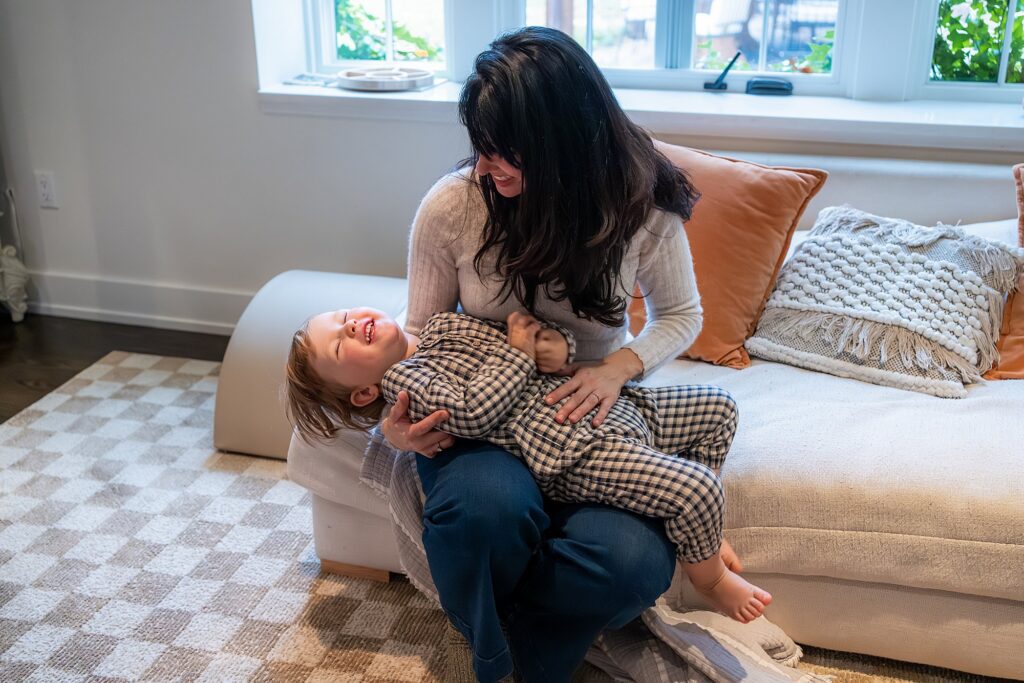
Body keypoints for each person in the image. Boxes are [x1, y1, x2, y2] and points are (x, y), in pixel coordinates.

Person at [374, 26, 745, 682]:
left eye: (500, 150)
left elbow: (682, 316)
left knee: (631, 563)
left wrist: (615, 368)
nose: (483, 166)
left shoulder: (641, 203)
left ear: (558, 141)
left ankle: (517, 654)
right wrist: (394, 424)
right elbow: (422, 333)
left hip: (583, 418)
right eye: (479, 148)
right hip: (488, 419)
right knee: (487, 512)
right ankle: (504, 665)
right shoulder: (455, 206)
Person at [284, 306, 771, 636]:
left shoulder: (441, 326)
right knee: (696, 488)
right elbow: (475, 410)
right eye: (339, 344)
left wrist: (549, 346)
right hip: (576, 446)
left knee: (719, 408)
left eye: (345, 317)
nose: (352, 326)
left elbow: (528, 347)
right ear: (364, 394)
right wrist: (517, 352)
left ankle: (697, 533)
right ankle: (709, 578)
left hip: (613, 403)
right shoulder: (406, 382)